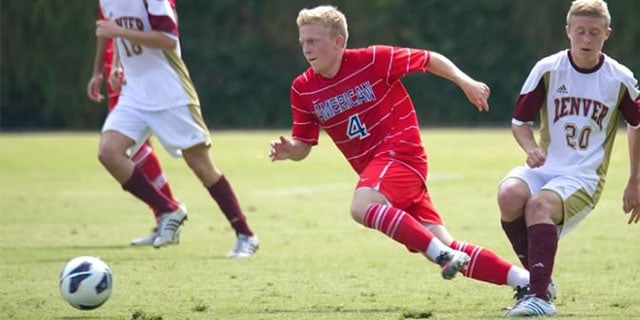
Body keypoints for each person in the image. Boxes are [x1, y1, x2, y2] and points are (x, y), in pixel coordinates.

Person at [270, 4, 536, 300]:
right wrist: (289, 150)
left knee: (361, 206)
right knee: (443, 242)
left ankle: (442, 255)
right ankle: (529, 282)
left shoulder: (371, 59)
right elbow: (303, 144)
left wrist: (465, 81)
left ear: (338, 42)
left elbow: (428, 59)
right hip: (381, 173)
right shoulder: (302, 88)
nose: (306, 49)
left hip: (401, 154)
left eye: (313, 41)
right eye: (303, 41)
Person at [497, 0, 640, 316]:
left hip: (584, 177)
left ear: (607, 34)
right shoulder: (548, 69)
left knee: (538, 206)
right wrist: (531, 148)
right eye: (580, 32)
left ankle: (538, 298)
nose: (586, 40)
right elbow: (519, 122)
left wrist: (635, 180)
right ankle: (540, 283)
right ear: (568, 32)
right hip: (547, 167)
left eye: (594, 32)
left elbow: (637, 125)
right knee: (509, 194)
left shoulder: (620, 78)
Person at [94, 0, 259, 258]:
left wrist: (119, 33)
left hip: (171, 93)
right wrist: (117, 63)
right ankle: (169, 209)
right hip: (135, 93)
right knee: (109, 152)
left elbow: (168, 38)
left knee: (201, 165)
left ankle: (245, 234)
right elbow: (115, 32)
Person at [87, 0, 182, 247]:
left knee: (129, 147)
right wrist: (100, 69)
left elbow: (164, 30)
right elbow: (106, 27)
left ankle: (168, 212)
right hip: (121, 62)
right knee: (121, 147)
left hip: (148, 67)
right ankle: (166, 213)